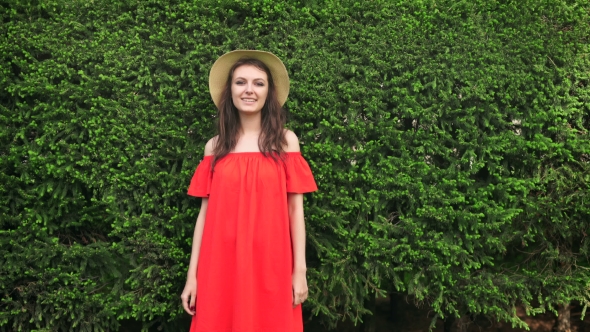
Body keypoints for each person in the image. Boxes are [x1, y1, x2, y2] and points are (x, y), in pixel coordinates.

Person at [180, 50, 318, 332]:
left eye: (259, 83)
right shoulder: (214, 148)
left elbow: (296, 210)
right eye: (241, 82)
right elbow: (204, 217)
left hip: (272, 265)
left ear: (269, 92)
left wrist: (299, 271)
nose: (249, 90)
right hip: (220, 266)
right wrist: (192, 276)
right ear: (229, 90)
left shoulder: (286, 142)